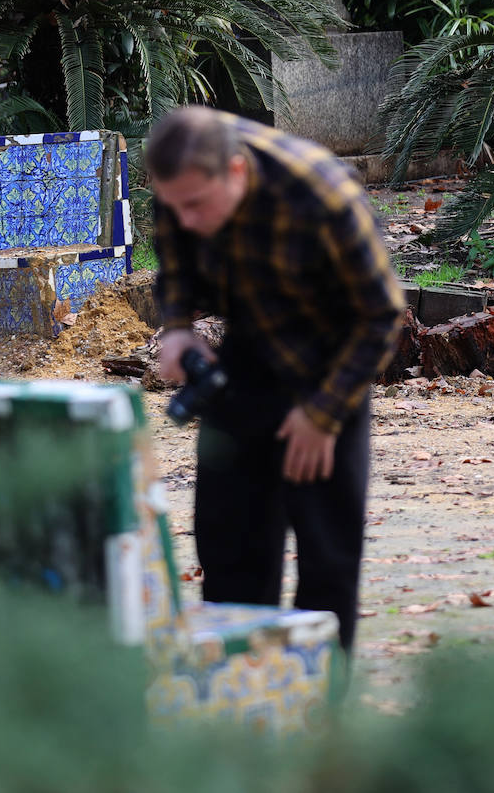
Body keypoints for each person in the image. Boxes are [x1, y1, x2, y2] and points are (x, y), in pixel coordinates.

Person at [146, 106, 404, 660]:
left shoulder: (322, 196)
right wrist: (176, 327)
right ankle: (240, 710)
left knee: (327, 566)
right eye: (174, 206)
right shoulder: (179, 182)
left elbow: (382, 316)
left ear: (236, 172)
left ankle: (320, 729)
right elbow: (174, 259)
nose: (184, 219)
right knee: (230, 554)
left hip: (331, 369)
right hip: (245, 360)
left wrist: (322, 415)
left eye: (195, 206)